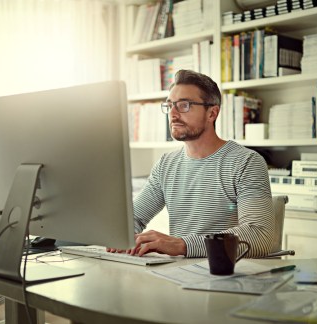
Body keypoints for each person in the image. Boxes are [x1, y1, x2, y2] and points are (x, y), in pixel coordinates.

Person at [111, 69, 276, 258]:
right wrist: (123, 239)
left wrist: (183, 245)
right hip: (177, 275)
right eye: (170, 105)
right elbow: (133, 218)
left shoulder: (246, 162)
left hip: (226, 275)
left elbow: (260, 235)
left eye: (184, 105)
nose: (172, 114)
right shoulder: (166, 165)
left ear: (212, 113)